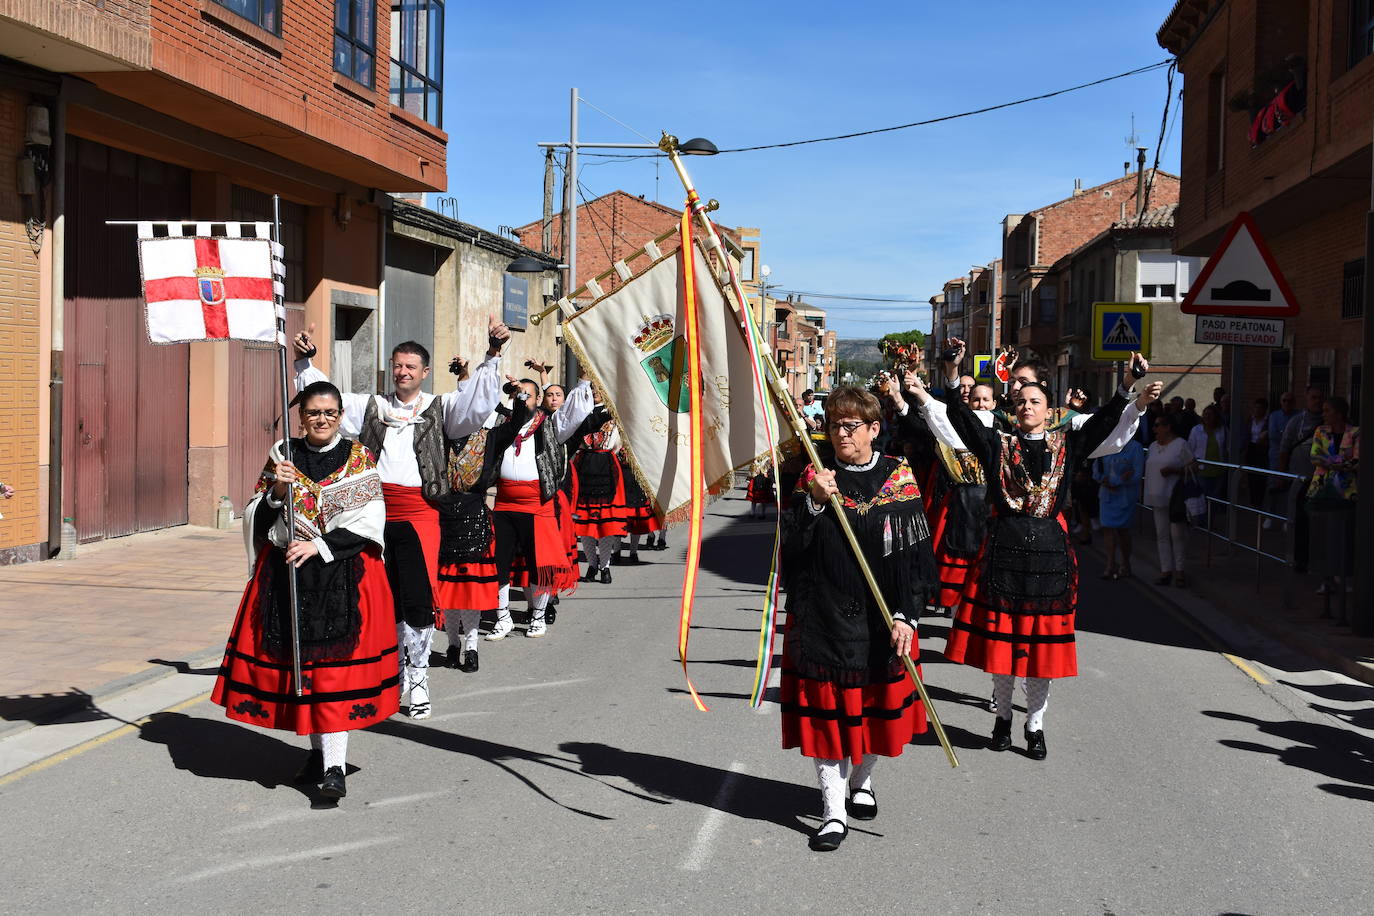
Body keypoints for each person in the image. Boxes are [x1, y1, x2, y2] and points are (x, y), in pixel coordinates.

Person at [930, 338, 1159, 760]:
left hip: (1050, 561)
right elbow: (959, 419)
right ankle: (1002, 718)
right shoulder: (998, 444)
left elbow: (1106, 421)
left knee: (1038, 655)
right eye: (1021, 401)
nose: (1026, 407)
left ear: (1049, 408)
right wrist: (951, 371)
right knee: (1002, 652)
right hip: (1003, 555)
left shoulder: (1069, 444)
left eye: (1034, 401)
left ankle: (1035, 724)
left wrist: (1127, 386)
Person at [293, 319, 509, 719]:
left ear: (424, 372)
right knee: (378, 593)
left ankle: (420, 678)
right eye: (397, 365)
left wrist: (492, 355)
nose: (402, 372)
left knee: (417, 596)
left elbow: (477, 406)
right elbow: (327, 400)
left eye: (410, 366)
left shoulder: (441, 408)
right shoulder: (372, 407)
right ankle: (390, 671)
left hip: (419, 512)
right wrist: (306, 364)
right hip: (373, 511)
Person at [212, 381, 394, 800]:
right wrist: (277, 490)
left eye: (330, 412)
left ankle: (334, 768)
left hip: (341, 573)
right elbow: (255, 515)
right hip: (288, 574)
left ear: (341, 415)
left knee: (331, 678)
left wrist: (319, 545)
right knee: (301, 672)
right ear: (302, 415)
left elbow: (369, 521)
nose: (322, 419)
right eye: (314, 412)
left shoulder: (359, 457)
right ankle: (318, 754)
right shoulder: (284, 454)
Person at [779, 386, 936, 852]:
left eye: (851, 425)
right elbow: (790, 550)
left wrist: (907, 616)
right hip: (823, 614)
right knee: (828, 717)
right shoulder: (814, 473)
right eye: (834, 423)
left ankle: (862, 779)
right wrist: (811, 502)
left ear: (873, 429)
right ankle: (833, 811)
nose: (841, 432)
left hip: (884, 615)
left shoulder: (898, 477)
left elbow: (914, 559)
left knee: (873, 712)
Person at [484, 375, 594, 640]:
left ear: (538, 400)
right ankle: (503, 617)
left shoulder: (551, 424)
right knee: (499, 562)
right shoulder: (502, 422)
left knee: (539, 563)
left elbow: (577, 410)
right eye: (517, 394)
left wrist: (583, 381)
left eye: (528, 395)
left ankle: (538, 616)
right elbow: (475, 406)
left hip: (537, 504)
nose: (522, 398)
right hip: (504, 502)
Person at [1306, 397, 1359, 614]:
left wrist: (1335, 463)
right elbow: (1315, 456)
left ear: (1339, 413)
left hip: (1347, 493)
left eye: (1328, 410)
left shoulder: (1355, 432)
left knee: (1345, 535)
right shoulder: (1320, 431)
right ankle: (1326, 579)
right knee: (1324, 536)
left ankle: (1345, 576)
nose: (1324, 413)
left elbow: (1357, 460)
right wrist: (1338, 463)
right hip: (1322, 490)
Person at [568, 402, 627, 583]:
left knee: (605, 524)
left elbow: (618, 443)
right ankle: (593, 565)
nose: (595, 391)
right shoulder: (580, 410)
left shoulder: (613, 412)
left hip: (606, 467)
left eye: (597, 387)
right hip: (584, 466)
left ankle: (605, 566)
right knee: (586, 524)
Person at [1143, 415, 1194, 586]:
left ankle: (1180, 570)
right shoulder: (1152, 446)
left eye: (1157, 425)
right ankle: (1166, 570)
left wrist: (1175, 470)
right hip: (1156, 496)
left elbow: (1193, 466)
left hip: (1175, 498)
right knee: (1161, 535)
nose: (1154, 429)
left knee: (1177, 535)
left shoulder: (1180, 444)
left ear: (1168, 427)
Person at [1187, 405, 1229, 525]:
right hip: (1201, 470)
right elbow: (1190, 448)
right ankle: (1202, 521)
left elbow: (1227, 447)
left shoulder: (1223, 430)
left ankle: (1211, 521)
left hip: (1218, 470)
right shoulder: (1196, 430)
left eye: (1210, 414)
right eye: (1205, 414)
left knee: (1215, 498)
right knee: (1203, 497)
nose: (1207, 417)